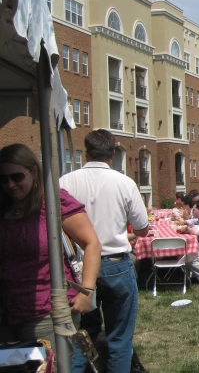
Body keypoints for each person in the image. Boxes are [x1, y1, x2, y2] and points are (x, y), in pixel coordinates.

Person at [58, 129, 149, 372]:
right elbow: (142, 229)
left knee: (80, 334)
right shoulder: (125, 183)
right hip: (115, 263)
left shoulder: (65, 182)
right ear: (112, 154)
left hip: (78, 267)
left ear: (86, 152)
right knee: (119, 336)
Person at [0, 144, 101, 348]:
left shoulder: (53, 201)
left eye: (17, 177)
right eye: (3, 179)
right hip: (6, 313)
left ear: (34, 171)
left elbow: (92, 243)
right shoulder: (3, 207)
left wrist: (87, 291)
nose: (10, 185)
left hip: (47, 313)